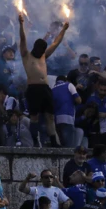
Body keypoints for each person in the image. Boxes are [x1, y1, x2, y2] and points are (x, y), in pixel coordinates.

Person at [18, 13, 70, 148]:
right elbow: (22, 39)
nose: (41, 51)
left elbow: (56, 43)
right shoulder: (26, 55)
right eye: (39, 49)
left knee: (50, 116)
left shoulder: (43, 55)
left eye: (43, 49)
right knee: (34, 117)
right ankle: (35, 140)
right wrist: (21, 24)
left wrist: (63, 29)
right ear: (35, 47)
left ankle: (54, 141)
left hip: (45, 89)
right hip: (33, 89)